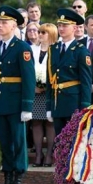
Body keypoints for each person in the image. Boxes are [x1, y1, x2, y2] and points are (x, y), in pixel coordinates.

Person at [0, 6, 35, 184]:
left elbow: (29, 78)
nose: (0, 25)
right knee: (6, 142)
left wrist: (27, 106)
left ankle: (18, 181)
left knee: (18, 142)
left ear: (14, 25)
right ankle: (7, 180)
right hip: (1, 101)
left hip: (16, 103)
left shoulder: (22, 48)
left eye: (4, 22)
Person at [46, 9, 92, 136]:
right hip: (57, 103)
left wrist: (85, 108)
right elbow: (50, 79)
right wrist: (49, 107)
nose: (61, 28)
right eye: (59, 25)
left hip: (73, 104)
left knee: (74, 143)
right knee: (60, 143)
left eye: (65, 25)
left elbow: (86, 82)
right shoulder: (53, 49)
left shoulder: (80, 51)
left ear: (74, 28)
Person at [31, 23, 58, 167]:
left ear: (51, 34)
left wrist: (48, 86)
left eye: (43, 32)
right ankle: (38, 154)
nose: (40, 34)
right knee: (36, 122)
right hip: (35, 92)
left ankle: (48, 155)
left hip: (51, 92)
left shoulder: (56, 50)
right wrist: (33, 85)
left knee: (50, 122)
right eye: (39, 32)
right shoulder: (32, 49)